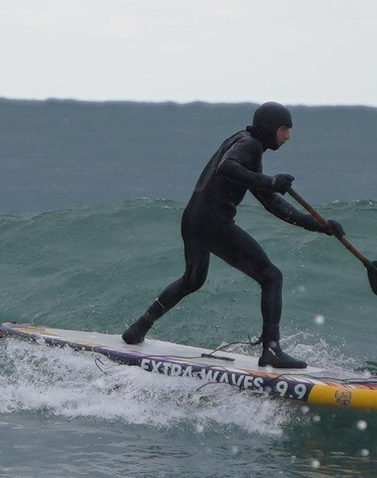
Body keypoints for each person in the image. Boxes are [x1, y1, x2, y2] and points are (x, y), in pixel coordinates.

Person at [119, 101, 343, 370]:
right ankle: (271, 349)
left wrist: (317, 225)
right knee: (272, 277)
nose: (287, 137)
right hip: (213, 223)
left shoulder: (244, 144)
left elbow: (271, 202)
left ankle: (138, 328)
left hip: (193, 219)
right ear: (271, 128)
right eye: (284, 129)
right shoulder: (248, 145)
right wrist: (271, 181)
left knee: (192, 280)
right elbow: (227, 168)